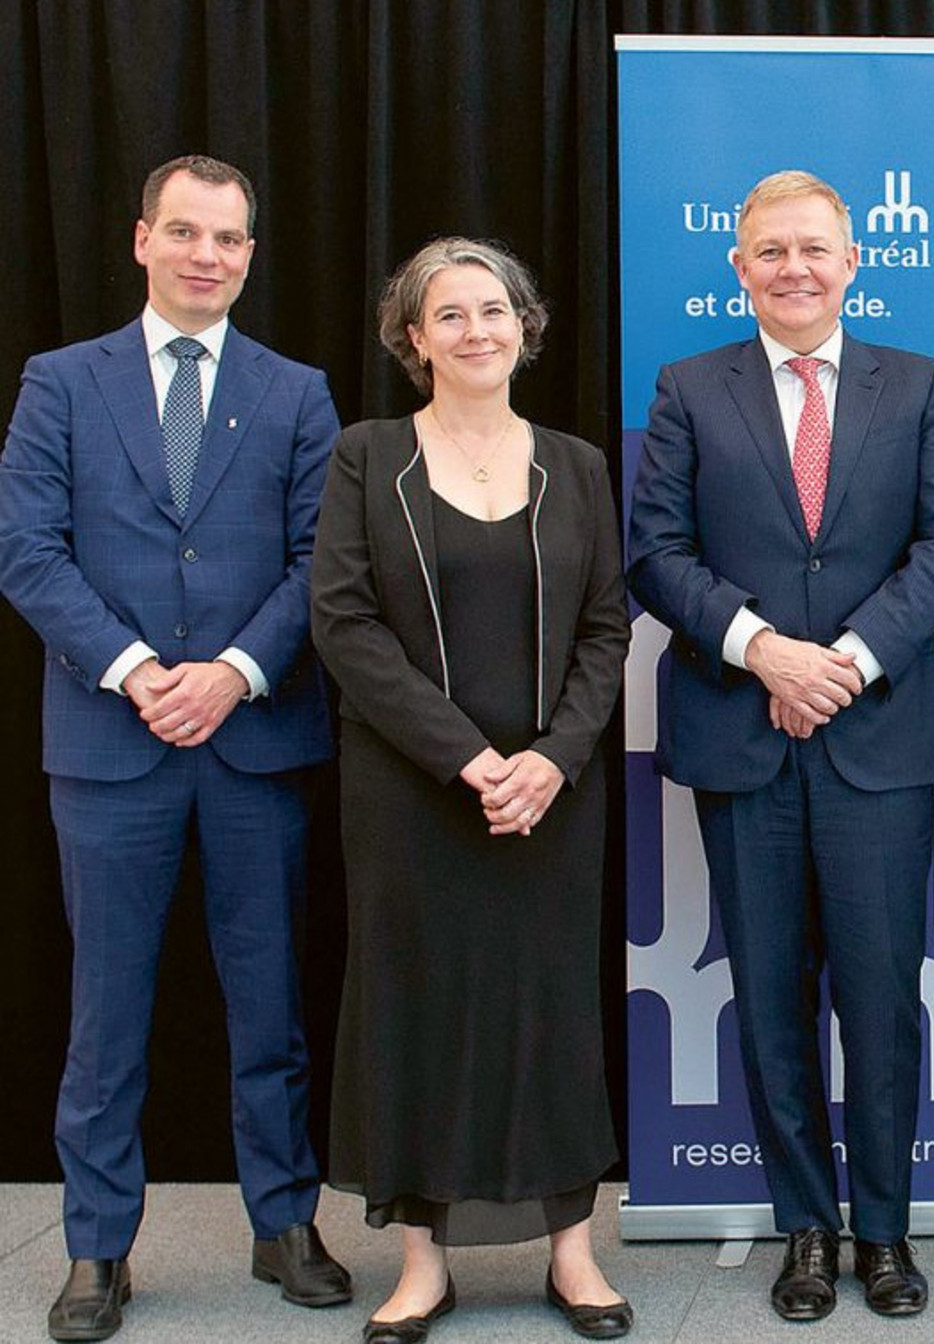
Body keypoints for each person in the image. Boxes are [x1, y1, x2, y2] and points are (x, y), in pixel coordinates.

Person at [0, 154, 351, 1343]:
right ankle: (98, 1250)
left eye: (232, 239)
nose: (210, 256)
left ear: (252, 255)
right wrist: (142, 673)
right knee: (105, 1016)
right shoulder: (59, 382)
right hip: (111, 740)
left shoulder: (298, 392)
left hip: (254, 740)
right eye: (188, 233)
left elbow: (321, 563)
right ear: (141, 239)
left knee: (271, 1005)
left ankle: (284, 1224)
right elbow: (28, 552)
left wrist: (234, 673)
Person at [627, 169, 934, 1323]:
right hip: (743, 735)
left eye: (813, 249)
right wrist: (764, 651)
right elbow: (655, 552)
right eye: (769, 251)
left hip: (875, 736)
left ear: (852, 260)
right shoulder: (686, 387)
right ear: (738, 267)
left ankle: (884, 1232)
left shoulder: (918, 386)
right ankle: (805, 1233)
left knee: (880, 1002)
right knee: (770, 999)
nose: (793, 268)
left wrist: (841, 665)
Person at [309, 237, 631, 1342]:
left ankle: (572, 1255)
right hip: (411, 788)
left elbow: (605, 628)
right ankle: (421, 1265)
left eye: (492, 310)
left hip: (552, 790)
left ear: (523, 326)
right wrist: (466, 758)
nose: (476, 330)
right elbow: (343, 624)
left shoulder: (579, 466)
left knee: (549, 1010)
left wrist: (551, 759)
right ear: (413, 339)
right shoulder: (366, 458)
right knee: (417, 1010)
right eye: (448, 316)